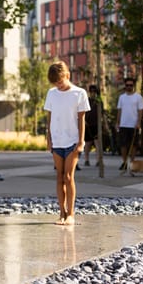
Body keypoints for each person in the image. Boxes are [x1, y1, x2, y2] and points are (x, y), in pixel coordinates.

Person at [44, 62, 90, 226]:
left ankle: (71, 214)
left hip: (72, 141)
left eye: (60, 81)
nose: (58, 85)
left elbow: (81, 119)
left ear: (67, 76)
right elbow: (49, 118)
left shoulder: (79, 93)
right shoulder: (51, 93)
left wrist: (80, 142)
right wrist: (48, 137)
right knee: (59, 177)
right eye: (55, 82)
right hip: (57, 141)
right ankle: (61, 213)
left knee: (68, 176)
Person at [116, 77, 143, 171]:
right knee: (123, 145)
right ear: (125, 86)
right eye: (127, 85)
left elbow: (140, 111)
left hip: (133, 125)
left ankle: (132, 162)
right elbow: (119, 110)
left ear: (134, 86)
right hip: (123, 124)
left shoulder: (138, 97)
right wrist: (117, 122)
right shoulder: (122, 97)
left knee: (134, 145)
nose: (129, 87)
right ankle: (124, 162)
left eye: (131, 85)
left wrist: (139, 122)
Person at [83, 85, 101, 167]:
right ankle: (86, 159)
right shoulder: (86, 100)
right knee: (88, 143)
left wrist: (104, 124)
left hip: (97, 124)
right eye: (91, 91)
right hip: (88, 124)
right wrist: (84, 121)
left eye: (95, 91)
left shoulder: (99, 102)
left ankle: (98, 160)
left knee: (97, 143)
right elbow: (82, 112)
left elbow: (102, 113)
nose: (93, 93)